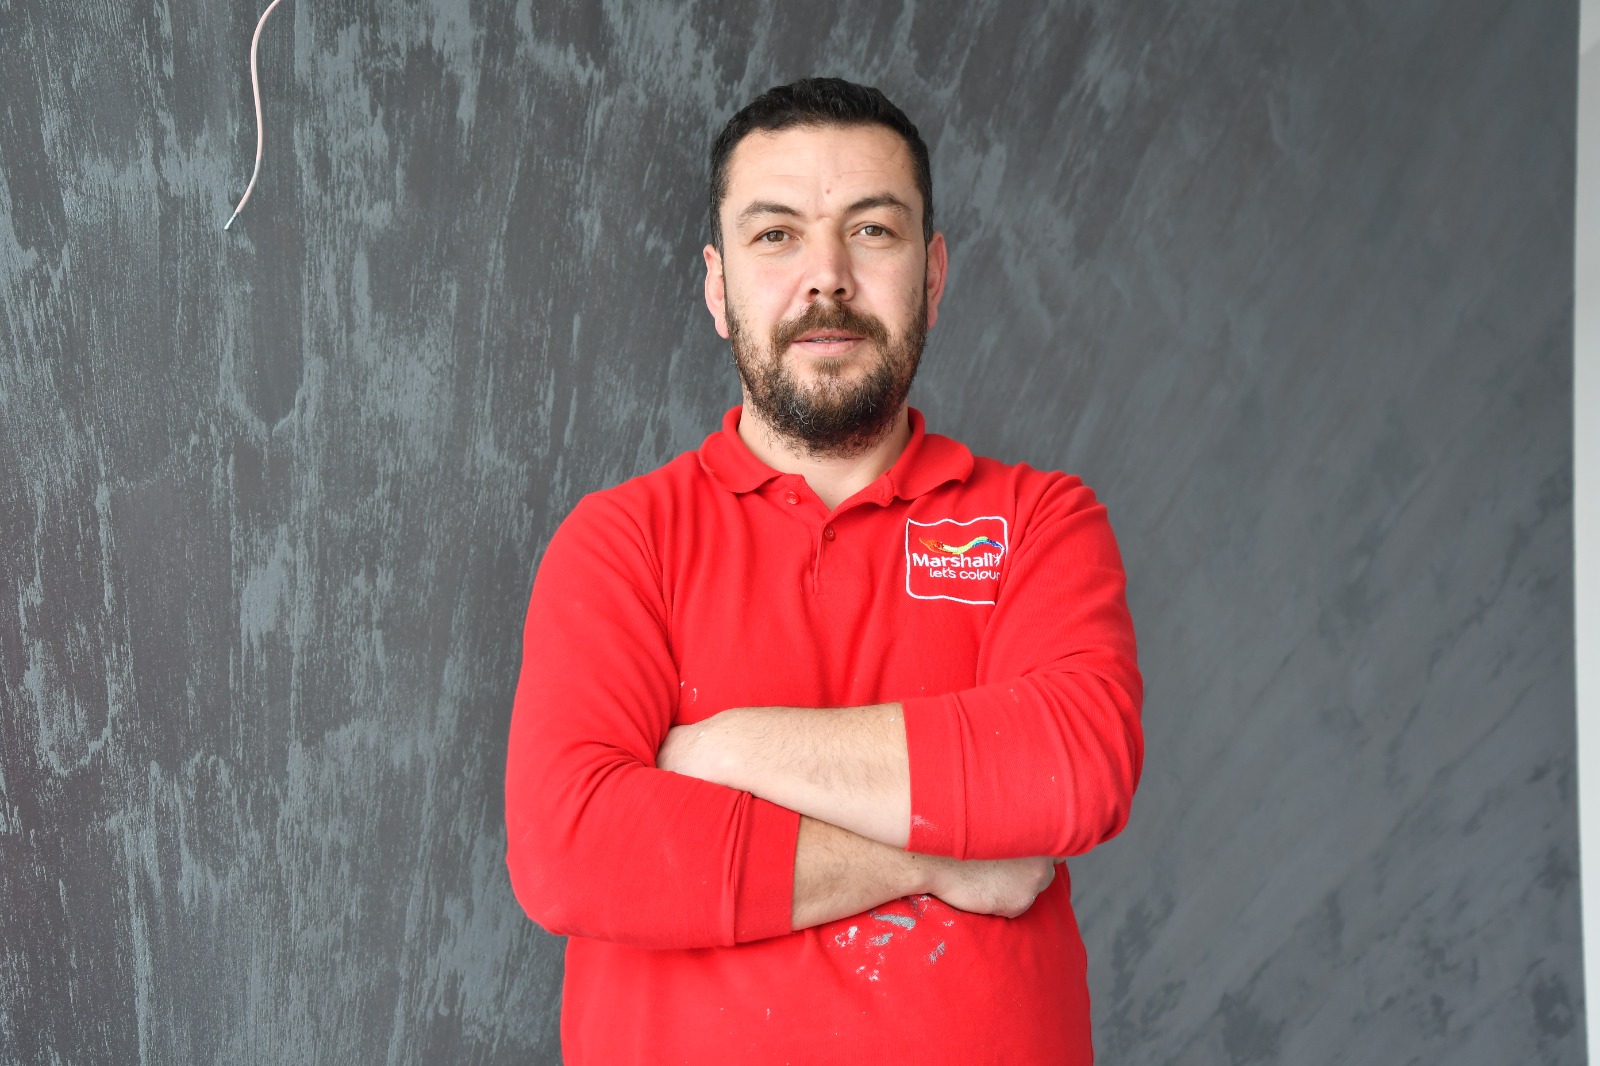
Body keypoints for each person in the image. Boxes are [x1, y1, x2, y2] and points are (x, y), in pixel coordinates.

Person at [504, 77, 1143, 1065]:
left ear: (933, 275)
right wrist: (935, 855)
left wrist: (718, 746)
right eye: (776, 236)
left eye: (872, 231)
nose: (827, 278)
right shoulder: (623, 540)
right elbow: (573, 848)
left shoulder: (1037, 521)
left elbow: (1072, 765)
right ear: (718, 287)